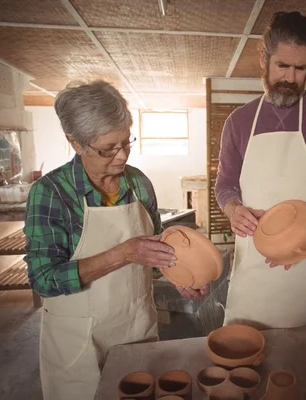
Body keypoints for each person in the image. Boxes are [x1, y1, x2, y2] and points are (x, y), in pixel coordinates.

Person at [23, 80, 209, 400]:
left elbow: (153, 253)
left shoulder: (138, 183)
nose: (121, 156)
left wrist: (177, 275)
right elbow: (44, 279)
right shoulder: (51, 193)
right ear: (75, 142)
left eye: (127, 142)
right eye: (108, 148)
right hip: (79, 341)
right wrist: (123, 254)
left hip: (136, 327)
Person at [215, 12, 306, 329]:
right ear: (263, 58)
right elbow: (225, 185)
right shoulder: (238, 123)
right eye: (282, 66)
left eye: (301, 68)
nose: (291, 78)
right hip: (259, 263)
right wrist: (233, 209)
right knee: (253, 359)